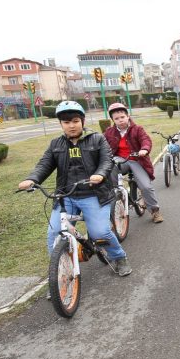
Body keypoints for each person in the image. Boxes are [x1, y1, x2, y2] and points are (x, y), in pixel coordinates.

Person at [18, 101, 132, 277]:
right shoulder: (56, 144)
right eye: (66, 122)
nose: (71, 126)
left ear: (82, 121)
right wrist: (32, 179)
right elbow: (44, 165)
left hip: (94, 194)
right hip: (66, 196)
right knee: (55, 233)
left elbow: (107, 160)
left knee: (99, 232)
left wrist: (100, 174)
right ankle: (60, 277)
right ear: (61, 124)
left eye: (75, 121)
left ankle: (119, 257)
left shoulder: (97, 139)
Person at [103, 102, 164, 223]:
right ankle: (116, 192)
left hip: (137, 160)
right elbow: (100, 143)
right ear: (113, 120)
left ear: (128, 116)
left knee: (146, 187)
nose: (120, 120)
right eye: (116, 118)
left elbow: (145, 140)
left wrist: (144, 149)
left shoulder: (137, 129)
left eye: (122, 117)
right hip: (120, 160)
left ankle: (155, 211)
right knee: (111, 165)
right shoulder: (109, 132)